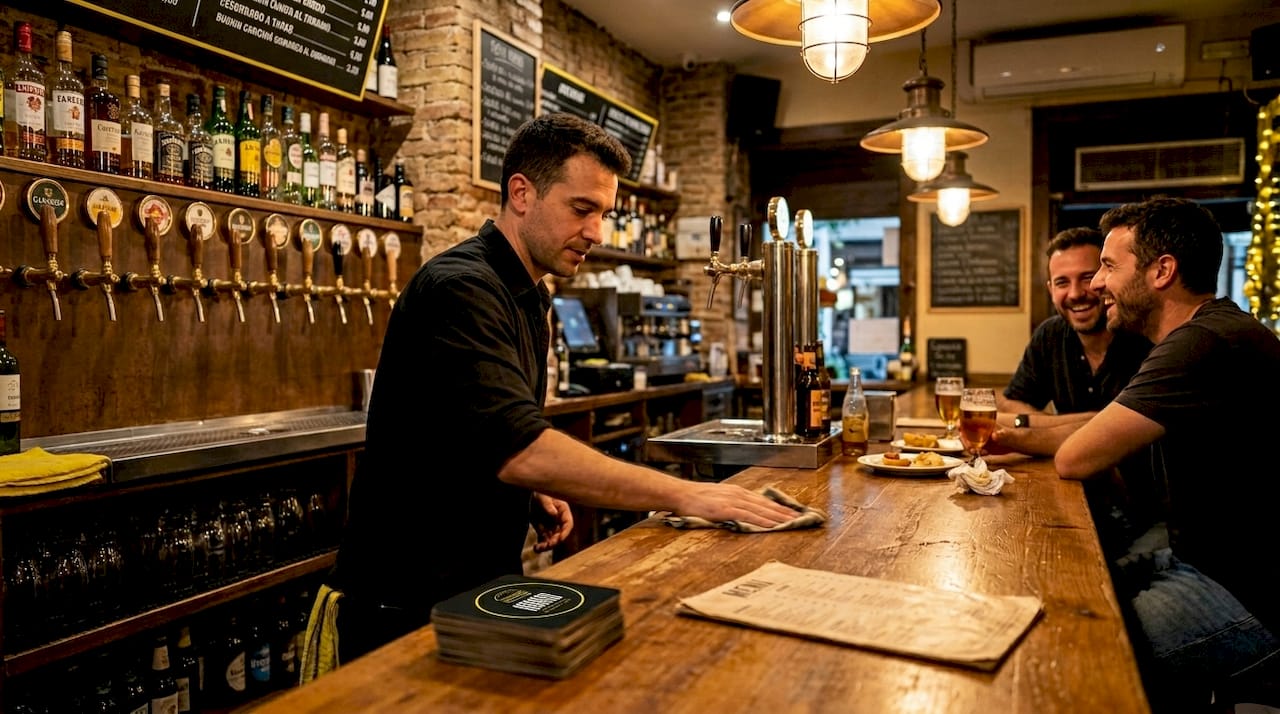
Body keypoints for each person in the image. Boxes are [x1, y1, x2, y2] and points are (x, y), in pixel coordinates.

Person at [327, 113, 801, 663]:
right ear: (522, 194)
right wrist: (688, 494)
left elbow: (475, 429)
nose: (597, 233)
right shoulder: (461, 287)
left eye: (604, 213)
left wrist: (527, 492)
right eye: (582, 209)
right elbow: (520, 447)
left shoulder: (528, 295)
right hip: (402, 605)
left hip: (472, 593)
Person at [1056, 197, 1280, 710]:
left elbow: (1074, 457)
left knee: (1080, 653)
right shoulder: (1213, 330)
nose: (1095, 284)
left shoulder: (1200, 344)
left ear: (1162, 271)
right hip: (1202, 560)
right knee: (1067, 595)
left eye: (1109, 266)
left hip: (1253, 594)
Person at [991, 227, 1152, 458]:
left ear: (1105, 279)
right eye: (1062, 282)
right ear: (1050, 289)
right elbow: (1012, 403)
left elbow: (1133, 427)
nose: (1075, 294)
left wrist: (1034, 427)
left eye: (1086, 278)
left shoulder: (1145, 336)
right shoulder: (1051, 334)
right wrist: (1063, 425)